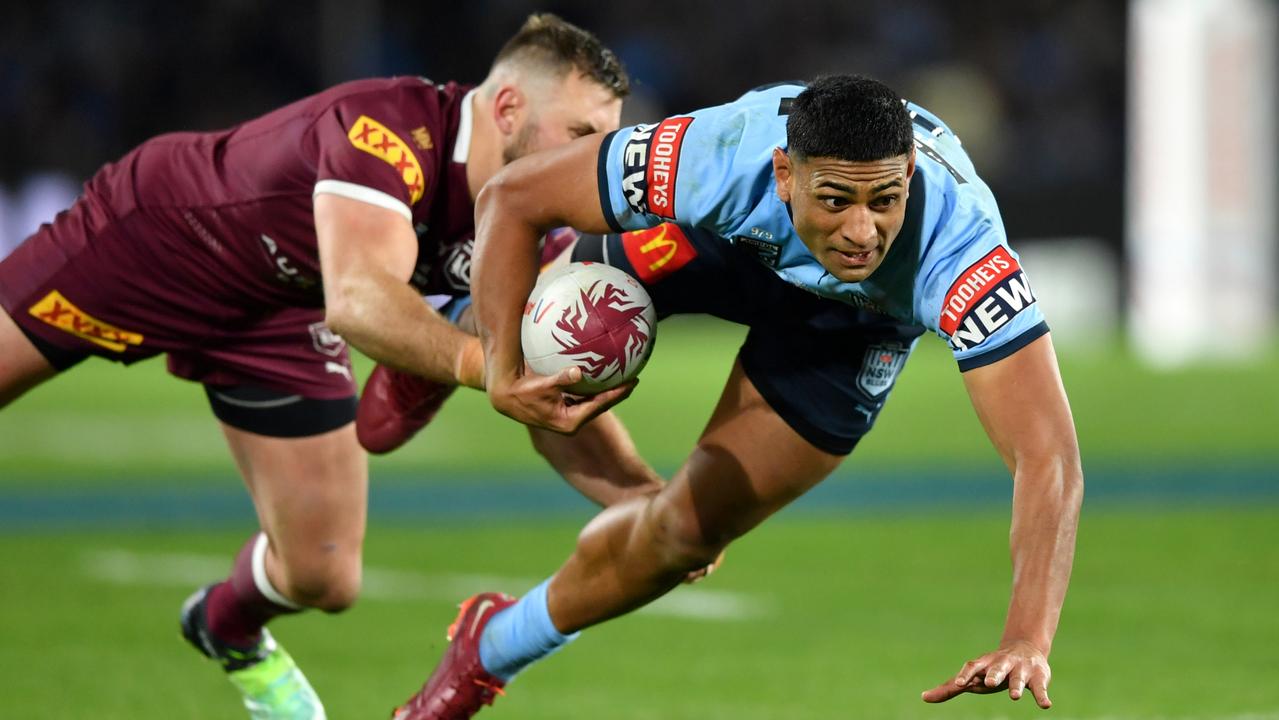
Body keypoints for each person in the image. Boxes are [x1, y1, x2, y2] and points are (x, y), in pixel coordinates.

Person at [0, 14, 637, 720]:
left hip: (280, 307)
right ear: (508, 107)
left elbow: (538, 394)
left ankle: (226, 627)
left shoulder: (536, 222)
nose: (594, 157)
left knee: (323, 574)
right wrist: (472, 358)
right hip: (159, 241)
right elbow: (361, 299)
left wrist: (643, 499)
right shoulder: (387, 129)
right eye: (582, 135)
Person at [391, 75, 1084, 718]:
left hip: (855, 324)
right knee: (553, 324)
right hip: (725, 241)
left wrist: (1027, 636)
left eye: (884, 200)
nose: (861, 232)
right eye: (835, 200)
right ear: (785, 174)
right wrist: (501, 369)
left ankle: (491, 646)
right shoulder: (718, 154)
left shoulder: (960, 250)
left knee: (684, 536)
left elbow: (1046, 457)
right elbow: (512, 197)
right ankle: (451, 332)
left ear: (907, 177)